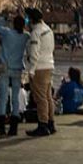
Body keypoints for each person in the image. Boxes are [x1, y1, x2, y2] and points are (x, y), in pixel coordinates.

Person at [0, 13, 28, 136]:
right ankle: (13, 129)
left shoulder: (7, 32)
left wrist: (4, 18)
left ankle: (1, 129)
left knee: (3, 98)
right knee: (15, 98)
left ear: (13, 23)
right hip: (18, 68)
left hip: (5, 67)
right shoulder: (25, 36)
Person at [23, 8, 56, 136]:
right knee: (48, 97)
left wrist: (31, 70)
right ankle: (50, 123)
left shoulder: (35, 33)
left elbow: (34, 53)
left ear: (31, 19)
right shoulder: (48, 30)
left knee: (40, 98)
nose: (26, 21)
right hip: (49, 65)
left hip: (39, 68)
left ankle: (43, 125)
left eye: (27, 18)